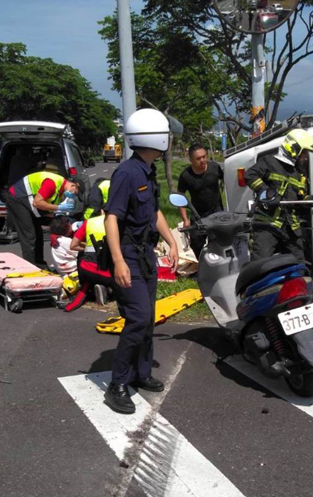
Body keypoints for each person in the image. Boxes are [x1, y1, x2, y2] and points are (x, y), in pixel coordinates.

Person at [103, 108, 179, 415]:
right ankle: (117, 385)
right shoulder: (127, 173)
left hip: (145, 255)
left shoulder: (148, 171)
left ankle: (141, 373)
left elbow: (155, 213)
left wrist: (172, 241)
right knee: (137, 317)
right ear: (155, 137)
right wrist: (119, 261)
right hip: (129, 256)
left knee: (148, 318)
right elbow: (111, 219)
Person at [244, 129, 313, 262]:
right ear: (294, 149)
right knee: (260, 264)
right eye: (304, 153)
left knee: (298, 265)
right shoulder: (269, 162)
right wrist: (265, 192)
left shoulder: (298, 173)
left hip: (290, 228)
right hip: (267, 225)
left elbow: (301, 199)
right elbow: (249, 175)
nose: (305, 157)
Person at [5, 171, 82, 267]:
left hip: (26, 201)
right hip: (16, 198)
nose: (73, 196)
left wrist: (65, 217)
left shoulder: (60, 191)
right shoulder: (52, 183)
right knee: (29, 235)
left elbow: (45, 211)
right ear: (73, 186)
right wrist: (58, 208)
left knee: (38, 235)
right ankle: (30, 268)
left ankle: (39, 264)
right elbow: (37, 203)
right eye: (75, 193)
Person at [177, 143, 224, 259]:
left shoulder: (214, 167)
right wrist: (185, 219)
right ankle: (203, 265)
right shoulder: (185, 176)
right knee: (196, 243)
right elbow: (180, 197)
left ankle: (217, 265)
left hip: (216, 212)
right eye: (198, 158)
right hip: (198, 214)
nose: (203, 160)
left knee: (218, 242)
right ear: (191, 160)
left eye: (204, 156)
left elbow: (227, 180)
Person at [62, 211, 113, 313]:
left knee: (83, 257)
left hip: (87, 270)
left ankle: (94, 290)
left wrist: (89, 247)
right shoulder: (119, 222)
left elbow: (73, 246)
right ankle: (107, 290)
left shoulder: (89, 222)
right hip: (108, 273)